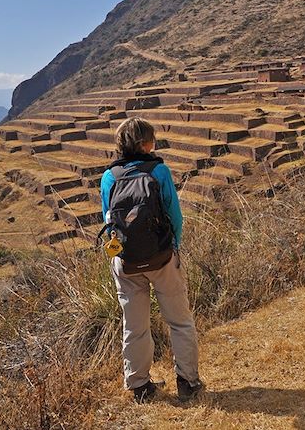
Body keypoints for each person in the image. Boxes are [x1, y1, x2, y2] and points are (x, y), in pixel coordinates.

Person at [100, 117, 203, 403]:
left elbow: (107, 220)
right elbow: (175, 216)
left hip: (126, 261)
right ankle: (188, 382)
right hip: (162, 257)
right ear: (146, 143)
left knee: (134, 325)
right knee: (180, 321)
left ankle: (139, 386)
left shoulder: (109, 177)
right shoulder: (159, 171)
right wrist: (174, 247)